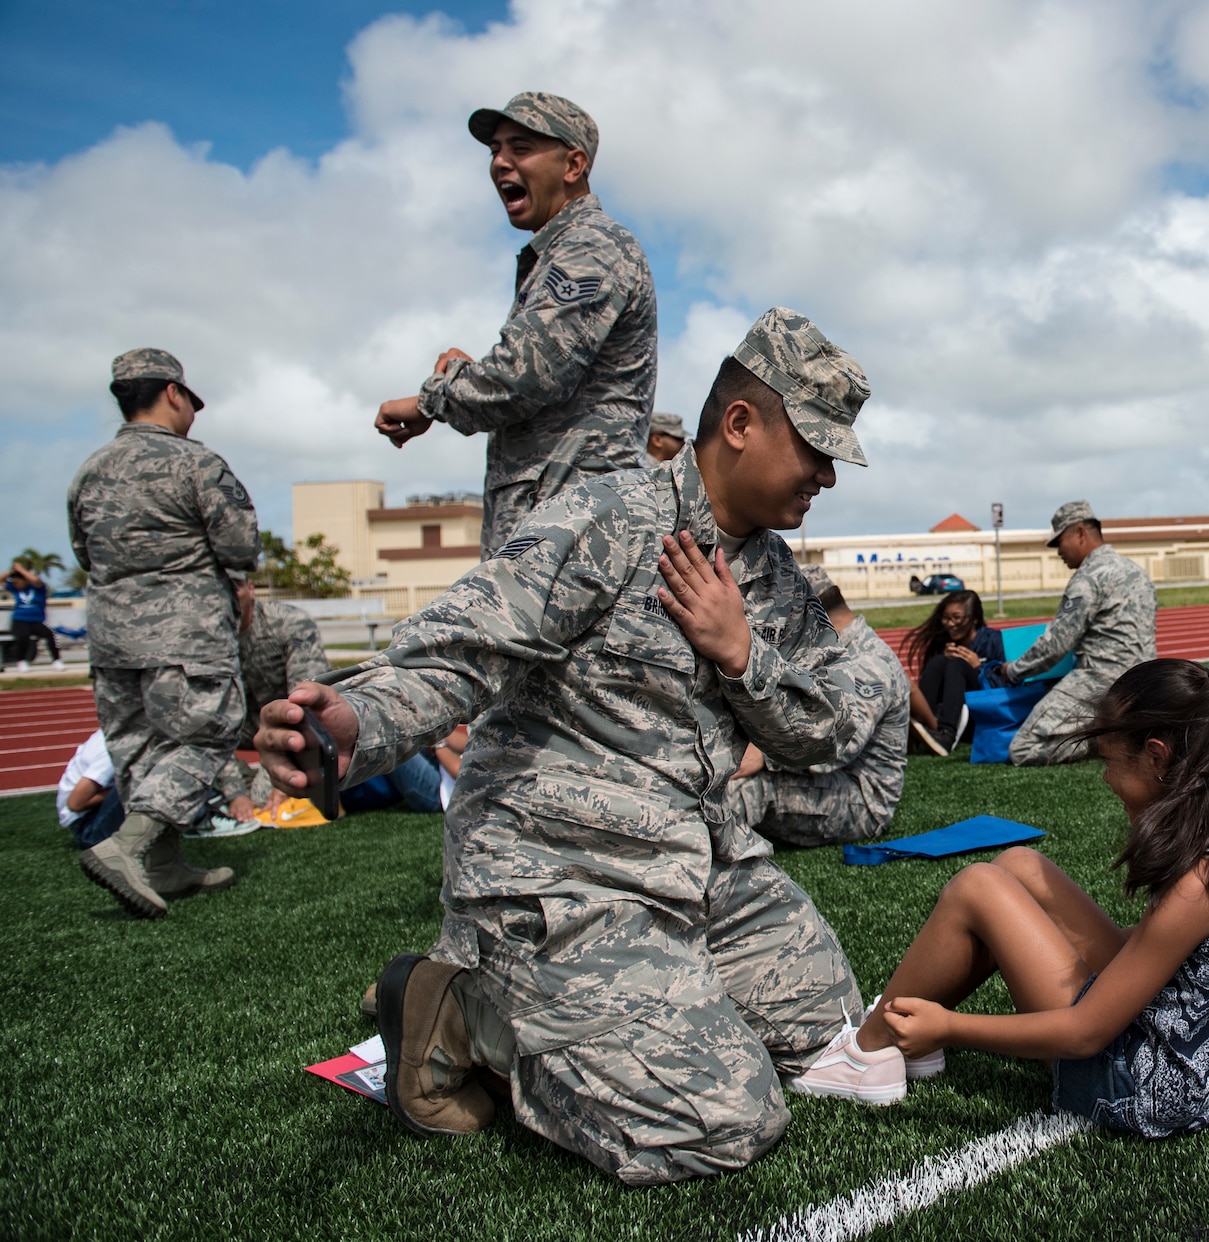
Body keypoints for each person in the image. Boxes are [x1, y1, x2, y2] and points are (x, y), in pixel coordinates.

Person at [256, 308, 871, 1184]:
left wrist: (742, 655)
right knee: (721, 1121)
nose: (826, 477)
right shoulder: (610, 516)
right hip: (564, 874)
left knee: (829, 1032)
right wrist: (357, 723)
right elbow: (464, 645)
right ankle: (468, 1005)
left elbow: (823, 734)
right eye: (815, 448)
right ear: (740, 424)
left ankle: (634, 996)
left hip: (695, 869)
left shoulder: (773, 581)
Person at [791, 659, 1209, 1136]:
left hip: (1148, 1087)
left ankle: (868, 1054)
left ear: (1157, 756)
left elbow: (1084, 1034)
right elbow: (1170, 953)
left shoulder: (1201, 879)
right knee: (1018, 865)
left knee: (977, 885)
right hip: (1195, 1057)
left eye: (1113, 761)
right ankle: (911, 1032)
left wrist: (950, 1028)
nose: (1106, 777)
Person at [373, 92, 657, 558]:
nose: (500, 163)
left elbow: (522, 376)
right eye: (495, 151)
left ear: (573, 165)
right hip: (552, 529)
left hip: (575, 533)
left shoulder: (590, 247)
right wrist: (468, 376)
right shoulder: (558, 253)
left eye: (520, 149)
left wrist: (433, 397)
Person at [69, 349, 256, 917]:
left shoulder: (89, 471)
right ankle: (127, 848)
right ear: (174, 393)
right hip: (185, 629)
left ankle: (162, 865)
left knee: (139, 747)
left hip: (110, 634)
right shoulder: (196, 465)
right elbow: (240, 546)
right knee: (206, 734)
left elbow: (83, 550)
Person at [727, 565, 908, 846]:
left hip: (860, 799)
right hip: (829, 779)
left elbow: (838, 745)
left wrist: (764, 757)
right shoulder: (831, 651)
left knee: (745, 788)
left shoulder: (868, 662)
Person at [1000, 501, 1157, 766]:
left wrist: (1014, 671)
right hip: (1146, 681)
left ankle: (1111, 740)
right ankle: (1125, 729)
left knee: (1023, 748)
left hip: (1100, 680)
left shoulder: (1088, 578)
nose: (1058, 551)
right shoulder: (1135, 571)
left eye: (1059, 541)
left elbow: (1056, 644)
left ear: (1080, 533)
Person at [215, 575, 332, 821]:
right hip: (240, 730)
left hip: (288, 727)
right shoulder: (203, 638)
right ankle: (235, 781)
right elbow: (207, 720)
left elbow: (305, 705)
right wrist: (235, 793)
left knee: (261, 799)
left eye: (234, 586)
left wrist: (281, 781)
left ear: (250, 588)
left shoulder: (290, 623)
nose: (225, 594)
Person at [900, 588, 1004, 755]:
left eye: (956, 618)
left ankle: (946, 734)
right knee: (939, 661)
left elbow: (1006, 686)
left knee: (957, 664)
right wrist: (942, 657)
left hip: (984, 714)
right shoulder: (946, 642)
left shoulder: (994, 640)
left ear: (975, 619)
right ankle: (922, 725)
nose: (949, 623)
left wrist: (978, 667)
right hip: (954, 712)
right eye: (946, 618)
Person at [56, 730, 122, 848]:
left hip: (87, 820)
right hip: (89, 829)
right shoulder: (116, 747)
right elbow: (75, 803)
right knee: (143, 780)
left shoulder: (109, 732)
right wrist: (126, 787)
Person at [5, 562, 62, 670]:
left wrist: (21, 570)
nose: (15, 584)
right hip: (20, 620)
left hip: (36, 621)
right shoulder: (15, 589)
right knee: (23, 637)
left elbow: (36, 580)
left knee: (50, 635)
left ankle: (56, 660)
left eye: (17, 582)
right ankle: (21, 661)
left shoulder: (38, 588)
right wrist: (11, 571)